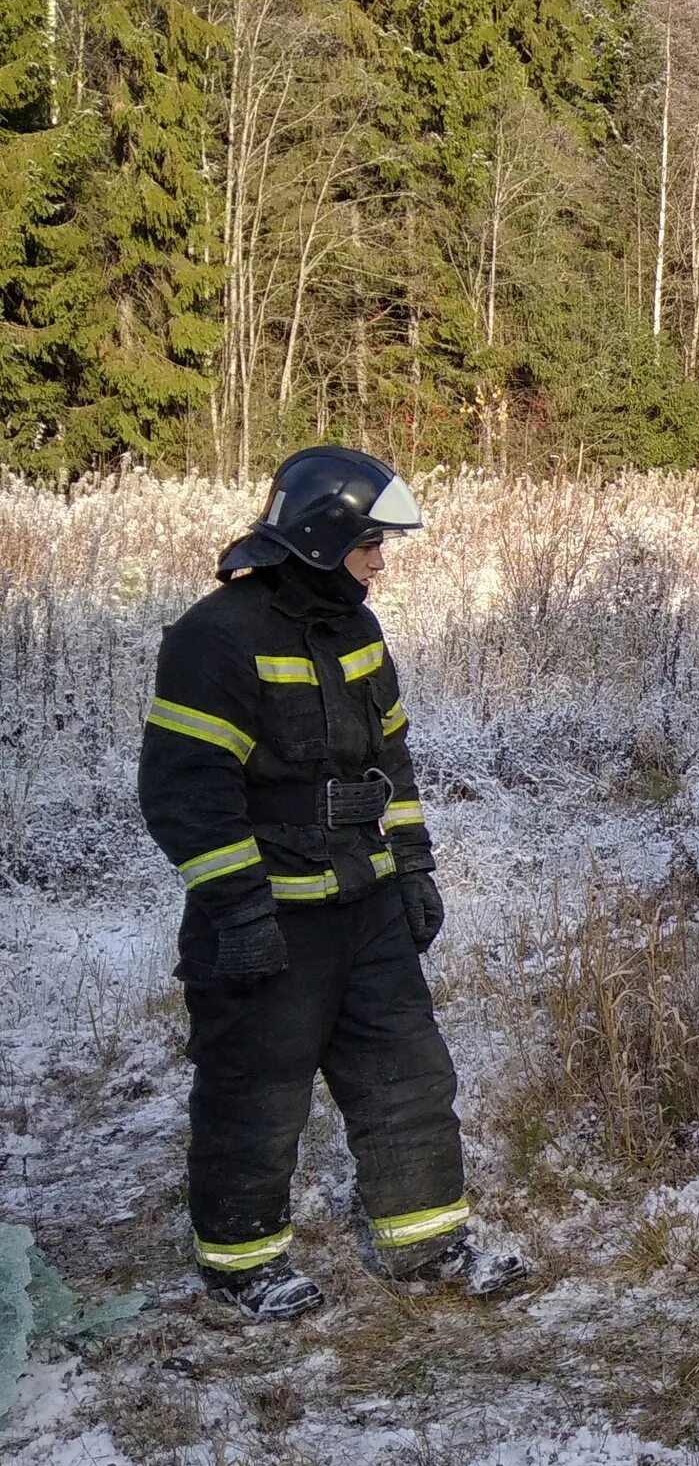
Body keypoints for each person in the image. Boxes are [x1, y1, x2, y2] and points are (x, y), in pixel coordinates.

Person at [138, 447, 528, 1321]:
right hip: (269, 921)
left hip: (368, 907)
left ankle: (426, 1244)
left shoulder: (356, 630)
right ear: (320, 538)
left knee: (409, 1076)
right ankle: (240, 1264)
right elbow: (184, 794)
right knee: (257, 1092)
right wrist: (239, 910)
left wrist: (416, 867)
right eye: (369, 546)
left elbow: (392, 758)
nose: (380, 564)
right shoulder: (216, 638)